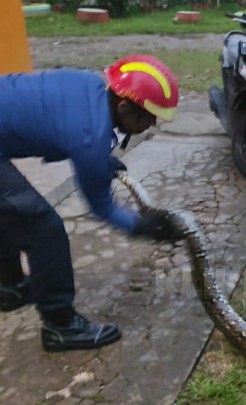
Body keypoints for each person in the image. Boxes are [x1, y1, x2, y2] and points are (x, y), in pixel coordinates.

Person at [0, 55, 184, 352]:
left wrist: (98, 161)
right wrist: (143, 227)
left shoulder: (88, 84)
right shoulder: (90, 135)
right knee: (42, 227)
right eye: (148, 116)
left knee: (9, 209)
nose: (151, 123)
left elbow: (64, 127)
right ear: (124, 107)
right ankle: (61, 326)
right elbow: (102, 207)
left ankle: (10, 287)